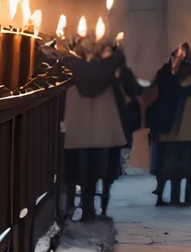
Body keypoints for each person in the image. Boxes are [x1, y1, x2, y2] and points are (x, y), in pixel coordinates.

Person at [60, 37, 143, 220]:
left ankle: (71, 206)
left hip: (75, 123)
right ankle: (89, 206)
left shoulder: (70, 67)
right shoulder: (108, 69)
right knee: (96, 168)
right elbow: (128, 93)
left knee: (74, 167)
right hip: (102, 126)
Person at [147, 43, 191, 206]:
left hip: (189, 128)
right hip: (172, 129)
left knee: (187, 163)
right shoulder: (166, 73)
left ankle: (184, 197)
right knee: (171, 162)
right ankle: (170, 195)